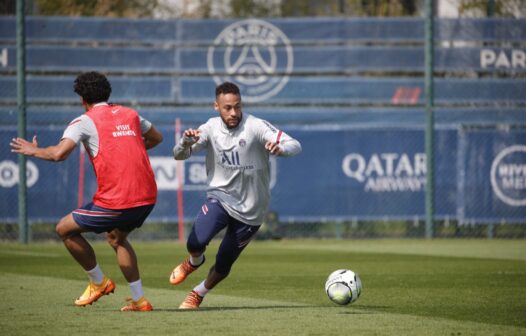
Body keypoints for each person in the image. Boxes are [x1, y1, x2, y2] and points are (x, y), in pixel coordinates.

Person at [10, 71, 163, 312]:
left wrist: (33, 150)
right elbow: (156, 138)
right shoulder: (130, 114)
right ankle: (140, 300)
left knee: (64, 229)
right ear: (107, 92)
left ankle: (98, 282)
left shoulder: (84, 121)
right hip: (147, 198)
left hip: (117, 202)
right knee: (116, 238)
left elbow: (59, 154)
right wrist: (127, 146)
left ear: (82, 99)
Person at [170, 81, 302, 309]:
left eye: (237, 107)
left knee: (223, 263)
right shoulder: (210, 128)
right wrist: (185, 142)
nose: (233, 112)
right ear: (216, 107)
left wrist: (282, 149)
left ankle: (198, 293)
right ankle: (194, 261)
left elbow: (295, 144)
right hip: (220, 198)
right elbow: (179, 155)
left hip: (252, 209)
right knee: (195, 242)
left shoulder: (255, 125)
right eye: (227, 108)